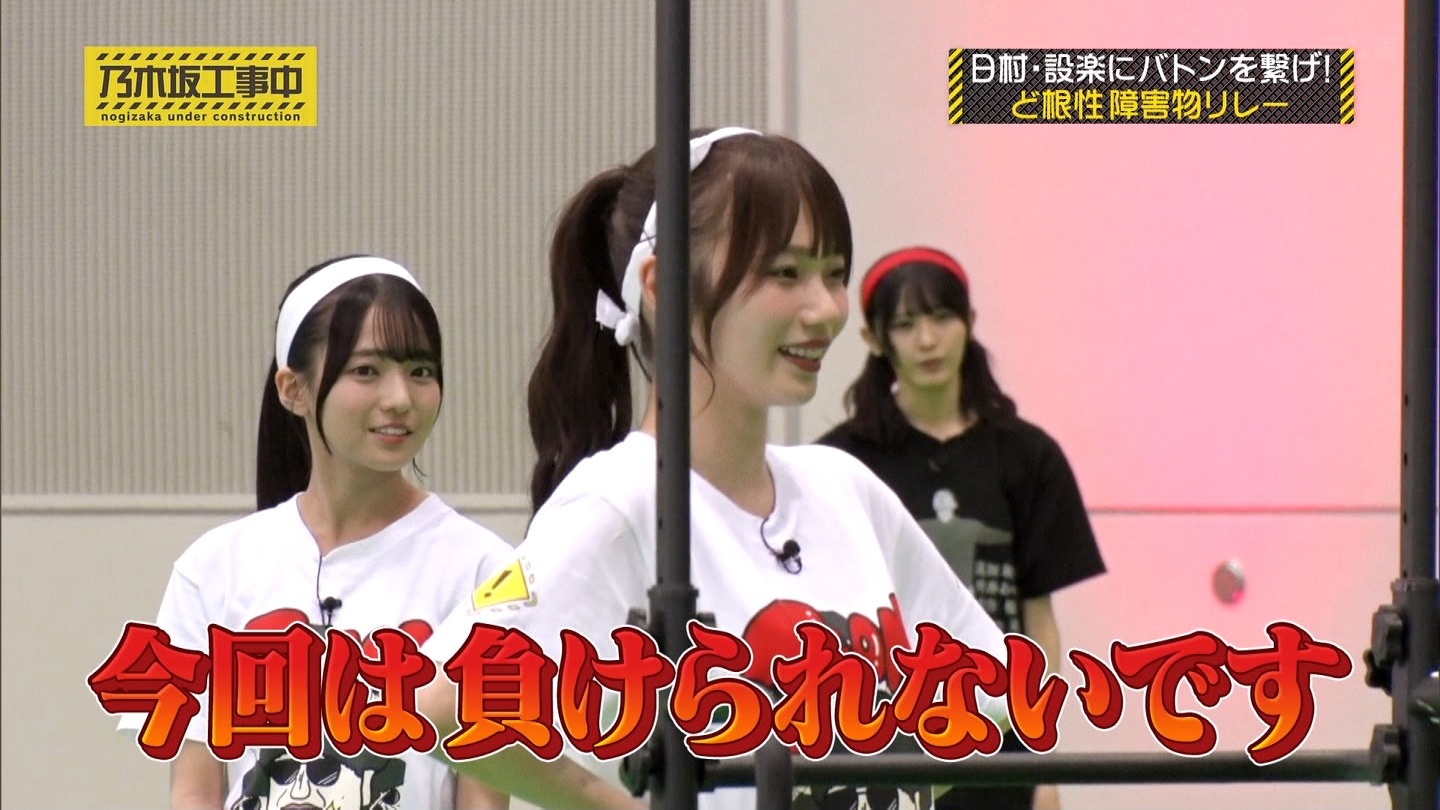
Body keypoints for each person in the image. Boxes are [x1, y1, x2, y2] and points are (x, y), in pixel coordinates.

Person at [416, 128, 1008, 810]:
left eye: (834, 273)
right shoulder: (621, 501)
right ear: (664, 285)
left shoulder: (844, 487)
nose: (825, 309)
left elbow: (991, 690)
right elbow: (438, 700)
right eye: (785, 273)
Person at [118, 255, 514, 810]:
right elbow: (194, 790)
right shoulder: (213, 569)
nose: (400, 398)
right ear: (293, 389)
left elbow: (485, 798)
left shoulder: (484, 573)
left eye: (421, 371)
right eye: (367, 371)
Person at [818, 246, 1108, 810]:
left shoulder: (1029, 458)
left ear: (970, 323)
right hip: (885, 743)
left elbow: (1037, 620)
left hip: (1000, 743)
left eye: (942, 317)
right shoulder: (840, 466)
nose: (927, 340)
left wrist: (1043, 762)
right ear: (874, 339)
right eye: (906, 324)